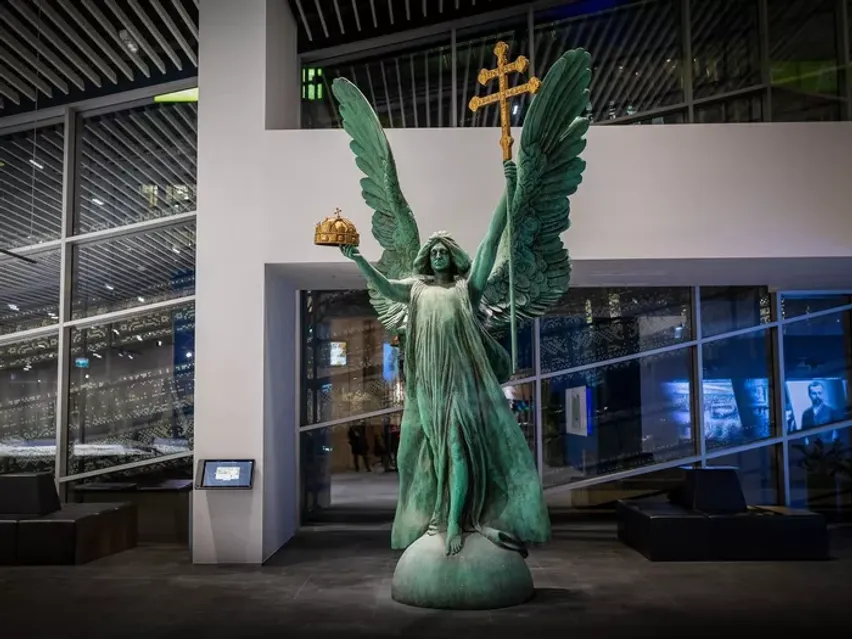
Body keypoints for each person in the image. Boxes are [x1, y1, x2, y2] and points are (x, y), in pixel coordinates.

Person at [339, 162, 549, 556]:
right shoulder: (416, 291)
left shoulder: (465, 291)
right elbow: (384, 286)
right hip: (429, 389)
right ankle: (442, 513)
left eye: (443, 251)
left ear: (452, 257)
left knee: (457, 447)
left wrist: (509, 189)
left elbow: (490, 242)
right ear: (427, 258)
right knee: (432, 457)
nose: (437, 255)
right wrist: (358, 259)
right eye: (433, 252)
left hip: (462, 386)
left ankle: (455, 524)